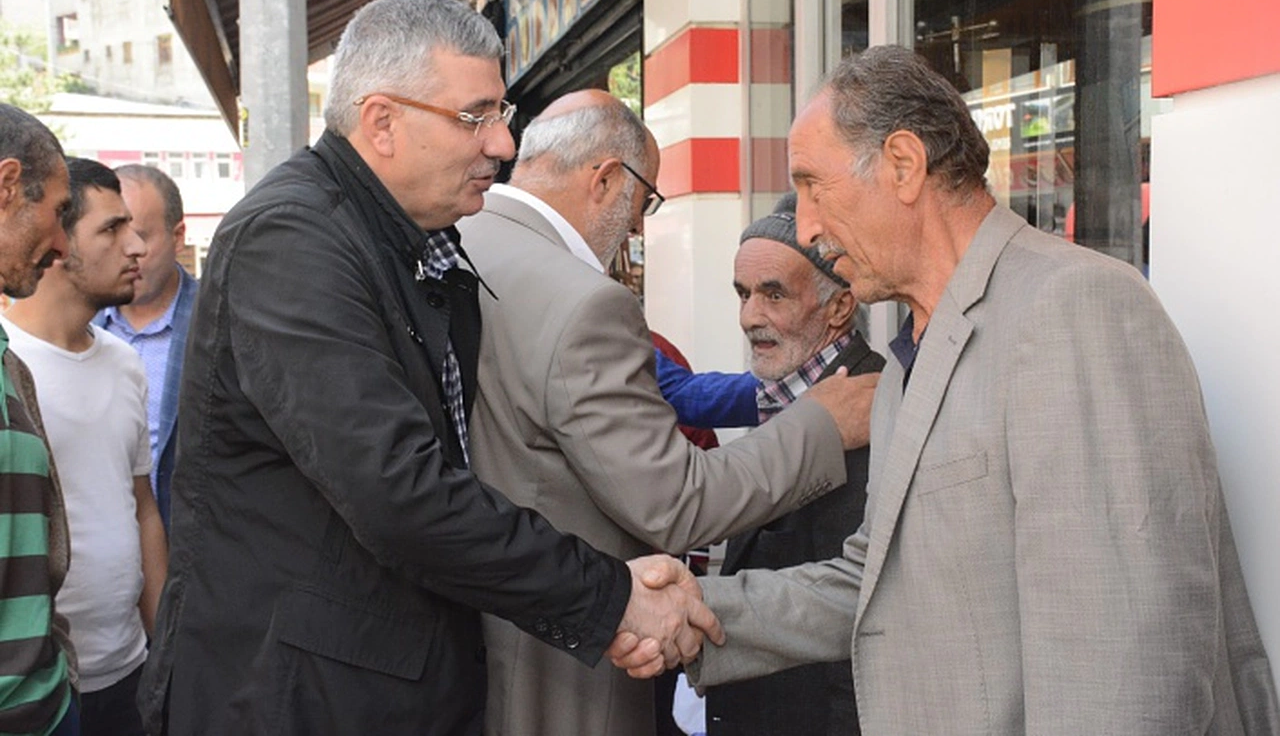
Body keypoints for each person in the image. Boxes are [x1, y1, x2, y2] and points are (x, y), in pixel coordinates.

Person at [616, 46, 1280, 734]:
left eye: (814, 186)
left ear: (904, 165)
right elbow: (872, 579)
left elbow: (1122, 664)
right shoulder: (911, 354)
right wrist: (697, 611)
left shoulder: (1074, 306)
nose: (807, 226)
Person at [136, 0, 719, 736]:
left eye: (502, 114)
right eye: (475, 117)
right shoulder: (290, 240)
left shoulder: (409, 237)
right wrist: (609, 598)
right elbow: (398, 490)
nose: (502, 144)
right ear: (382, 122)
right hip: (298, 700)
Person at [456, 89, 878, 736]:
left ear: (840, 306)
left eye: (773, 294)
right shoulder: (579, 300)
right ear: (605, 179)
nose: (635, 229)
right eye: (643, 202)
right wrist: (822, 422)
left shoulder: (462, 242)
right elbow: (673, 501)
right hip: (560, 670)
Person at [702, 192, 884, 736]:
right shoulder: (786, 395)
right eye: (743, 293)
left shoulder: (870, 408)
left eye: (773, 294)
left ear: (839, 307)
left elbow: (857, 624)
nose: (749, 317)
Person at [4, 157, 166, 736]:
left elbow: (142, 507)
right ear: (57, 238)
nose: (136, 246)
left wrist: (164, 647)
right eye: (112, 229)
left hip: (129, 670)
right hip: (38, 689)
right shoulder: (9, 366)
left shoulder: (125, 363)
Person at [0, 103, 77, 736]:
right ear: (7, 187)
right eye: (57, 210)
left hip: (46, 708)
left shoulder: (9, 364)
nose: (61, 244)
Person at [94, 164, 198, 530]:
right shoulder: (78, 330)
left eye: (139, 234)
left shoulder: (219, 324)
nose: (129, 250)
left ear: (178, 236)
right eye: (112, 233)